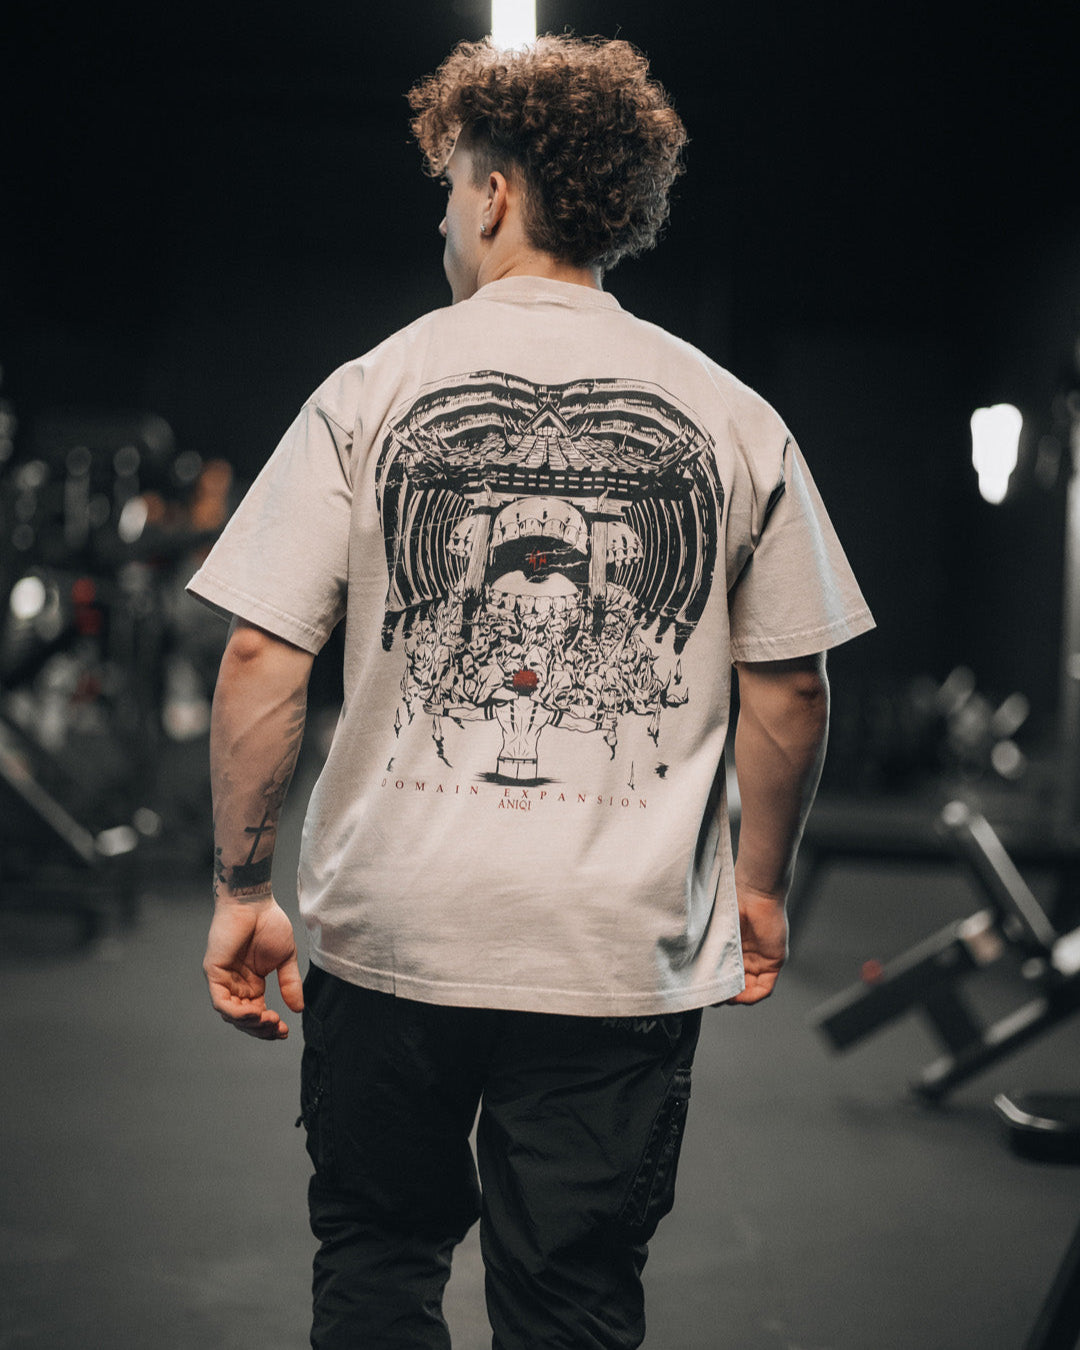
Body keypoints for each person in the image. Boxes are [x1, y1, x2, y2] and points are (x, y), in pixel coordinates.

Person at [188, 33, 874, 1350]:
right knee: (573, 1296)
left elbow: (262, 655)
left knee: (378, 1257)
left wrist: (240, 886)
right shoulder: (737, 416)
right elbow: (792, 683)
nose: (445, 220)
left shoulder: (367, 390)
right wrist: (759, 886)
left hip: (392, 932)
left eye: (451, 189)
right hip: (616, 943)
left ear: (495, 193)